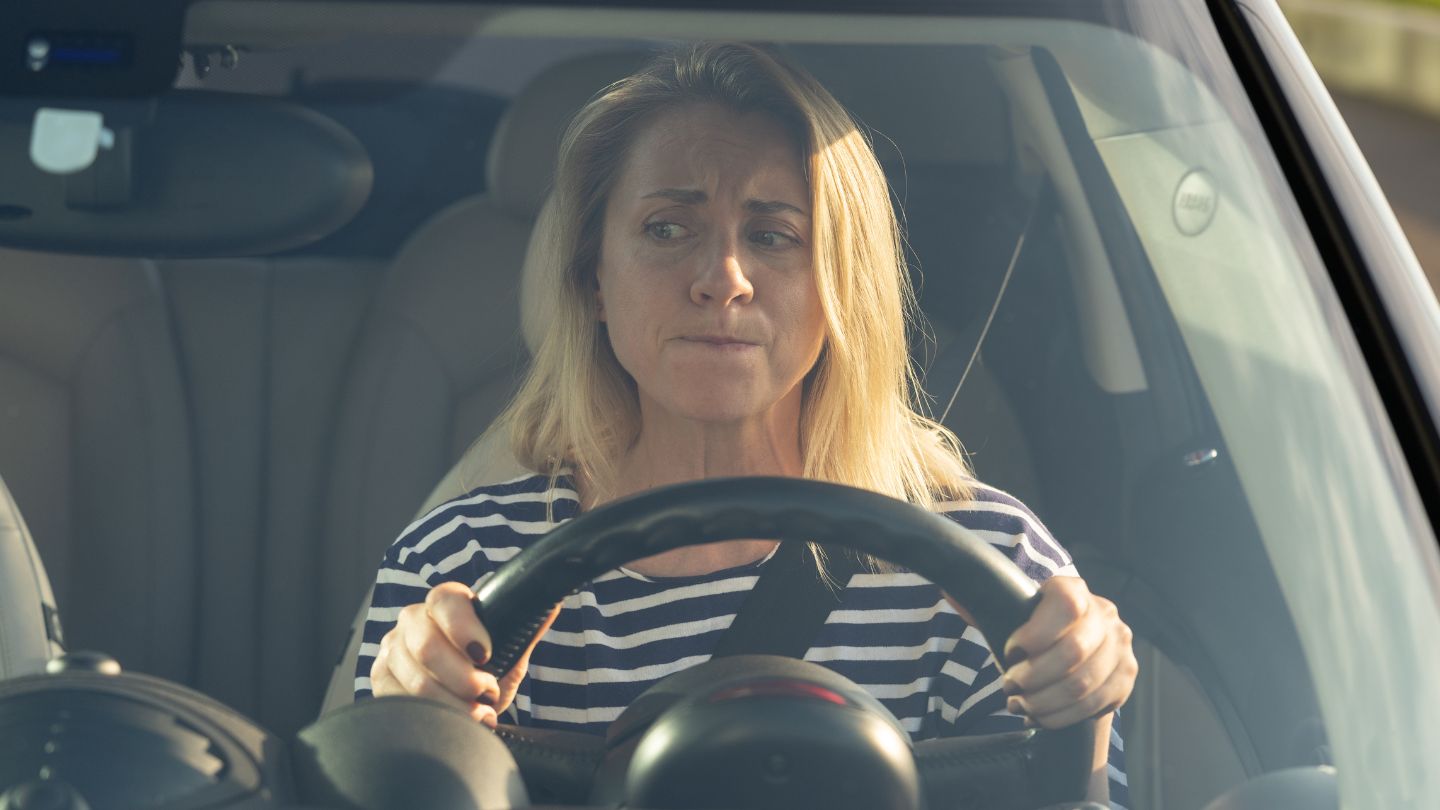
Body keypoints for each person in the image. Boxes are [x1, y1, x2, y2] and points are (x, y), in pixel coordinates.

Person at [356, 42, 1136, 804]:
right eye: (667, 228)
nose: (722, 279)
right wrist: (416, 734)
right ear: (594, 277)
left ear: (839, 284)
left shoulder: (990, 566)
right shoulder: (464, 569)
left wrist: (1083, 712)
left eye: (772, 236)